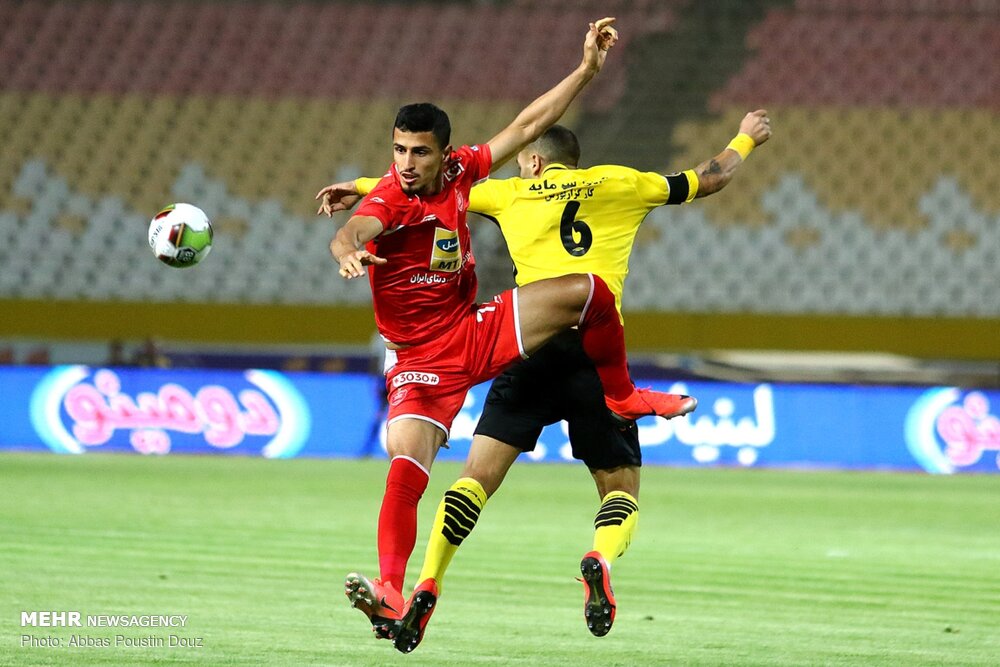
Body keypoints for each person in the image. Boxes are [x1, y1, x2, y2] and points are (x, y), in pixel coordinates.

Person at [314, 17, 697, 647]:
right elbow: (356, 229)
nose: (405, 165)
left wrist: (588, 71)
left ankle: (624, 392)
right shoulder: (390, 198)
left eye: (418, 152)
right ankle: (390, 591)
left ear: (444, 152)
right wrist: (346, 249)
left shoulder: (465, 173)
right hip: (418, 359)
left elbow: (525, 124)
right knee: (406, 464)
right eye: (397, 152)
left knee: (590, 292)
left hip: (472, 330)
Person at [330, 111, 772, 651]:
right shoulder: (623, 182)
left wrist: (358, 188)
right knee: (620, 485)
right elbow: (712, 176)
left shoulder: (513, 194)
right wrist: (746, 135)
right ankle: (598, 557)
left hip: (527, 346)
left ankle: (427, 580)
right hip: (593, 349)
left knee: (475, 478)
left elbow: (420, 190)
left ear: (535, 161)